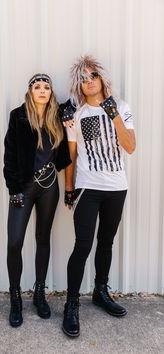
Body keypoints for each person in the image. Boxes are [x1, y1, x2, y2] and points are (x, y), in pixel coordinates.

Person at [59, 55, 136, 338]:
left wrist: (113, 113)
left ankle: (101, 292)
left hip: (117, 187)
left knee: (106, 242)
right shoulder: (76, 115)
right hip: (88, 188)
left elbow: (130, 147)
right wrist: (69, 189)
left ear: (102, 79)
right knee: (82, 246)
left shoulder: (123, 107)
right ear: (79, 86)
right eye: (83, 79)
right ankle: (72, 305)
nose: (88, 82)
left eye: (92, 76)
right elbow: (71, 157)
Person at [3, 73, 71, 327]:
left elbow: (64, 154)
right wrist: (14, 189)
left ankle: (39, 294)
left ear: (51, 92)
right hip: (22, 188)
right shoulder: (18, 116)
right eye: (37, 87)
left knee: (43, 239)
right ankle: (16, 299)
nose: (42, 90)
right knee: (14, 243)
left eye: (46, 87)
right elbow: (9, 156)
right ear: (30, 91)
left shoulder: (58, 117)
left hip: (49, 187)